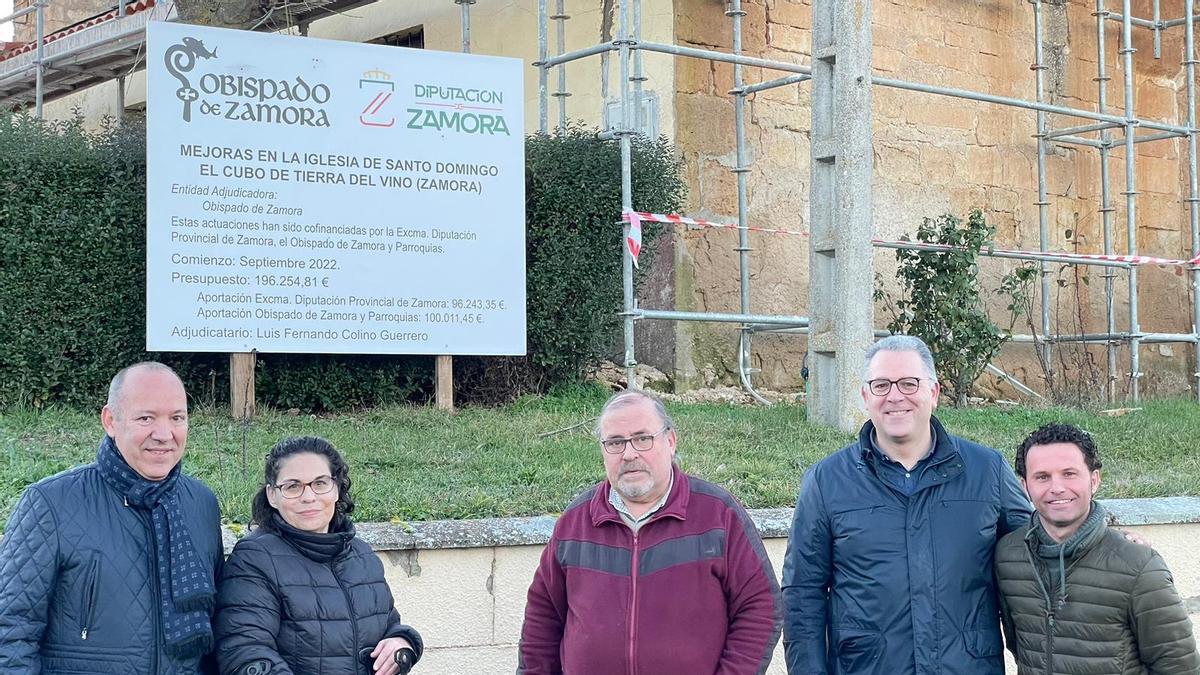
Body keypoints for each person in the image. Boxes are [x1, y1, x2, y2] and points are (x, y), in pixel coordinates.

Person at [781, 335, 1033, 675]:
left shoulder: (986, 471)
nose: (895, 396)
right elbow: (802, 593)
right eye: (881, 385)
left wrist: (1115, 549)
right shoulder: (826, 481)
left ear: (934, 392)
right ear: (865, 396)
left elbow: (1037, 553)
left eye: (909, 383)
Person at [518, 389, 782, 674]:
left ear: (670, 441)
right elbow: (541, 622)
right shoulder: (576, 522)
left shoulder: (717, 514)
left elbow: (761, 606)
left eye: (642, 438)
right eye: (615, 442)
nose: (629, 454)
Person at [0, 361, 224, 673]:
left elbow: (217, 622)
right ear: (110, 420)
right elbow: (10, 627)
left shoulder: (202, 504)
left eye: (177, 418)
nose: (164, 434)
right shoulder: (50, 503)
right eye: (146, 418)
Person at [995, 423, 1200, 674]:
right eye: (1042, 476)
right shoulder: (1007, 557)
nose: (1057, 487)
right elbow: (1020, 647)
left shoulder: (1139, 565)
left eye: (1069, 473)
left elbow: (1178, 665)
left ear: (1094, 480)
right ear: (1025, 486)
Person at [215, 436, 423, 675]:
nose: (308, 496)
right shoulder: (255, 560)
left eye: (320, 483)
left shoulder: (361, 556)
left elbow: (389, 626)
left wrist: (402, 643)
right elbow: (243, 652)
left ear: (336, 488)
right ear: (272, 496)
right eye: (293, 486)